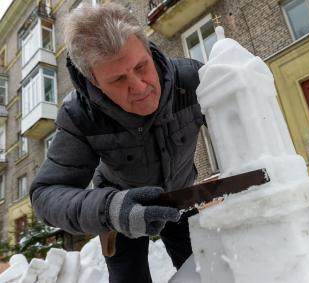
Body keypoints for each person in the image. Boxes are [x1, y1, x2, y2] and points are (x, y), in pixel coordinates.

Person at [30, 3, 205, 282]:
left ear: (148, 51)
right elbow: (45, 194)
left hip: (181, 197)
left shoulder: (193, 79)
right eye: (118, 79)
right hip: (118, 212)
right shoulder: (79, 115)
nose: (139, 87)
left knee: (205, 271)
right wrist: (110, 210)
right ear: (95, 82)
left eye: (141, 66)